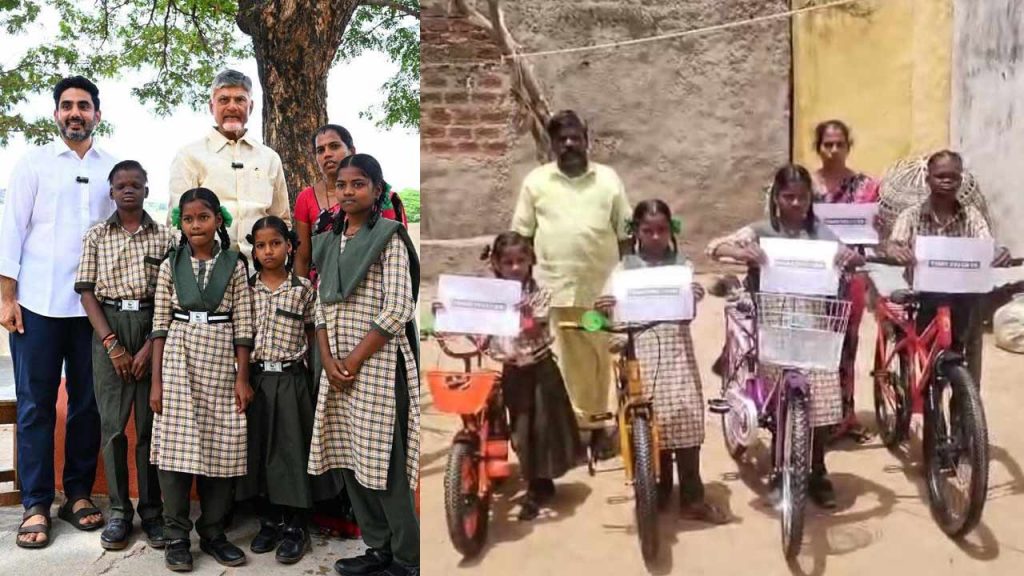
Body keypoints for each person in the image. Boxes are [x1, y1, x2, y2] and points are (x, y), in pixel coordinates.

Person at [0, 75, 116, 548]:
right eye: (67, 105)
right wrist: (6, 297)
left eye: (83, 106)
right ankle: (35, 503)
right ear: (56, 114)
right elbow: (10, 229)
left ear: (97, 115)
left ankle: (79, 494)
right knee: (35, 405)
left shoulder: (113, 169)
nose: (75, 113)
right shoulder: (34, 164)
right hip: (39, 305)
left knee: (88, 405)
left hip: (93, 310)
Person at [707, 165, 864, 508]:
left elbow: (848, 257)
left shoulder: (822, 235)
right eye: (788, 196)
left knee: (820, 399)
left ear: (811, 199)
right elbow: (715, 248)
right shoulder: (761, 230)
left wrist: (849, 257)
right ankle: (780, 469)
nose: (796, 203)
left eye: (803, 197)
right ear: (776, 198)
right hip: (773, 321)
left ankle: (818, 469)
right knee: (779, 399)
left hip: (813, 323)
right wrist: (740, 252)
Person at [307, 154, 420, 576]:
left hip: (376, 364)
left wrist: (351, 359)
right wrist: (327, 358)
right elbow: (321, 306)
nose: (349, 191)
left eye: (359, 184)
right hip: (336, 366)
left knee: (384, 461)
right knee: (351, 456)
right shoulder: (329, 240)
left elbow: (397, 310)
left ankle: (408, 557)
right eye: (342, 185)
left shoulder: (389, 238)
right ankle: (378, 547)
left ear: (377, 190)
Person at [595, 200, 730, 523]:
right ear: (636, 233)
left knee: (685, 416)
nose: (655, 236)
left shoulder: (681, 266)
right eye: (647, 230)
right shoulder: (623, 269)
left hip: (675, 351)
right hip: (639, 352)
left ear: (671, 231)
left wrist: (692, 297)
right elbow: (606, 311)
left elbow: (686, 315)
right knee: (648, 421)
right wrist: (603, 306)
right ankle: (658, 487)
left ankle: (692, 497)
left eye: (661, 230)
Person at [437, 232, 583, 521]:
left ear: (531, 261)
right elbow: (470, 319)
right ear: (496, 264)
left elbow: (533, 330)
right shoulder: (491, 295)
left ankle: (540, 486)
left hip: (539, 369)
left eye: (521, 261)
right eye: (508, 262)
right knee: (520, 430)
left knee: (541, 430)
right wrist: (446, 312)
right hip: (512, 371)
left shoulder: (539, 294)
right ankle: (523, 478)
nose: (515, 267)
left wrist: (525, 316)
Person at [510, 110, 632, 455]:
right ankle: (566, 433)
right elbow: (521, 235)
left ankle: (596, 428)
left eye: (575, 137)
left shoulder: (608, 180)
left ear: (586, 140)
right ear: (552, 144)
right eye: (561, 139)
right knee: (559, 362)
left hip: (598, 292)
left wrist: (623, 280)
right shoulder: (537, 183)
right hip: (552, 289)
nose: (569, 144)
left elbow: (625, 234)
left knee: (596, 358)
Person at [149, 188, 255, 571]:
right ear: (180, 222)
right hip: (178, 358)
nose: (196, 225)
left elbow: (244, 324)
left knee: (222, 443)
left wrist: (243, 378)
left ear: (219, 220)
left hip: (222, 358)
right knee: (175, 450)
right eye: (189, 219)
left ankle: (213, 532)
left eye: (204, 217)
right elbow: (160, 324)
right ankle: (176, 535)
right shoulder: (170, 265)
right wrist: (157, 382)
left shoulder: (235, 264)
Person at [75, 160, 176, 550]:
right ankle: (120, 512)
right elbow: (86, 292)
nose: (128, 190)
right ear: (111, 192)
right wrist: (113, 344)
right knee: (114, 428)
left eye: (136, 184)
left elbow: (169, 297)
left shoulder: (166, 237)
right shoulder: (97, 235)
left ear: (147, 190)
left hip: (154, 327)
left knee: (150, 429)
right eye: (121, 185)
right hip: (109, 326)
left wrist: (151, 344)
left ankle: (152, 512)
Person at [881, 150, 1012, 386]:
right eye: (940, 175)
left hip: (965, 296)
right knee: (925, 368)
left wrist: (997, 252)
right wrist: (894, 250)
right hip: (924, 297)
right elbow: (893, 243)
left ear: (960, 180)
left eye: (953, 176)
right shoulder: (911, 216)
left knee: (970, 361)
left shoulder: (971, 216)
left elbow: (986, 243)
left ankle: (967, 413)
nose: (947, 181)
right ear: (928, 179)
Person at [236, 216, 318, 564]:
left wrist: (314, 383)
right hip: (255, 379)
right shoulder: (246, 290)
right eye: (260, 245)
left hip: (291, 379)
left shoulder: (303, 290)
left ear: (289, 246)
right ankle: (269, 521)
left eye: (275, 243)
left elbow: (314, 337)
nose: (268, 251)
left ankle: (296, 525)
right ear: (253, 250)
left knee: (290, 451)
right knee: (258, 451)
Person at [168, 69, 290, 257]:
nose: (232, 107)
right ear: (211, 107)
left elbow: (281, 220)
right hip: (209, 268)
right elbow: (177, 222)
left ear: (251, 106)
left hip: (260, 270)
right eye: (224, 100)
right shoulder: (189, 156)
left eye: (240, 100)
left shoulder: (269, 158)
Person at [811, 120, 880, 443]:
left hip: (851, 276)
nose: (834, 150)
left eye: (839, 144)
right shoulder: (807, 187)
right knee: (817, 344)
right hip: (813, 274)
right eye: (828, 144)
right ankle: (816, 414)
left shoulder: (866, 187)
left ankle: (845, 414)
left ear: (848, 146)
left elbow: (875, 229)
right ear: (819, 147)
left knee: (847, 344)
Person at [293, 123, 409, 280]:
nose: (327, 154)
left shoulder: (382, 198)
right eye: (320, 150)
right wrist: (300, 297)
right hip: (322, 292)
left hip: (372, 290)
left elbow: (394, 253)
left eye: (334, 146)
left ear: (352, 151)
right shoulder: (306, 198)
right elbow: (303, 258)